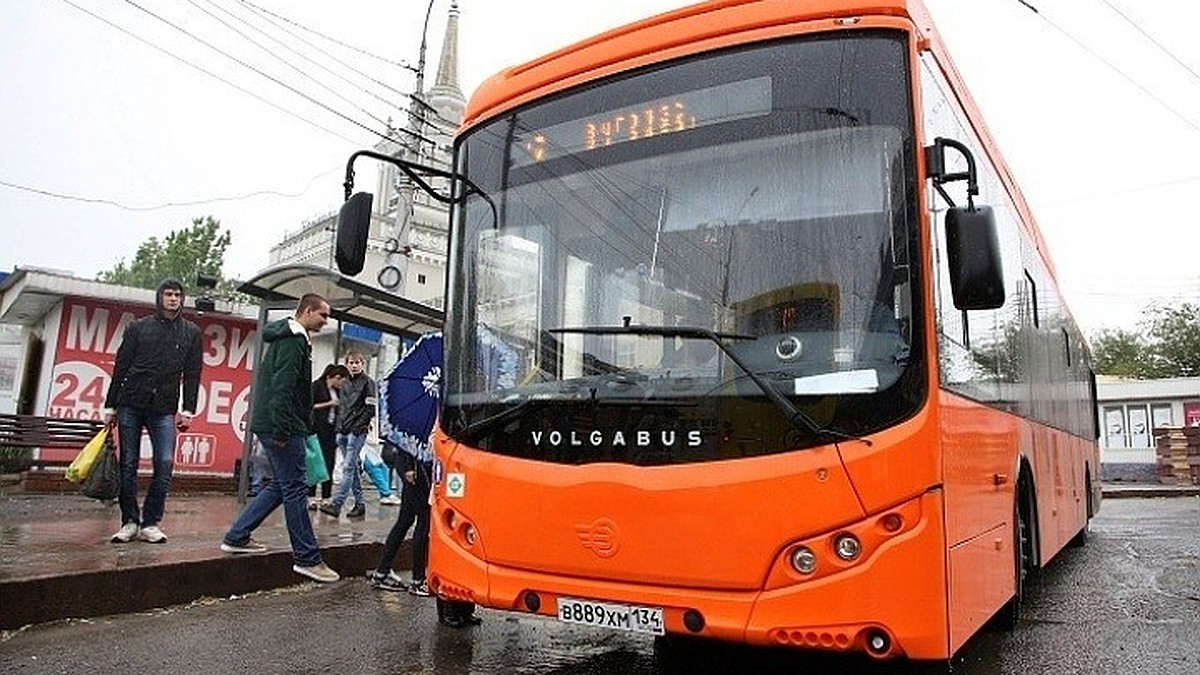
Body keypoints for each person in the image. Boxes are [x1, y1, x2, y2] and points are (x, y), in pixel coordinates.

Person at [220, 293, 340, 584]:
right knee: (296, 489)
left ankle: (237, 537)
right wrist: (283, 430)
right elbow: (282, 388)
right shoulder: (292, 340)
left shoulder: (292, 337)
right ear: (308, 311)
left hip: (280, 426)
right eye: (323, 315)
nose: (326, 321)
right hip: (282, 428)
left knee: (281, 485)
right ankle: (307, 558)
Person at [104, 278, 203, 545]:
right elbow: (120, 368)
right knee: (128, 464)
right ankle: (129, 522)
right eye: (168, 294)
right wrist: (110, 407)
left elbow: (193, 375)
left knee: (165, 462)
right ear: (159, 297)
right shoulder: (138, 327)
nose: (173, 299)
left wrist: (189, 410)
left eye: (178, 295)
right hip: (130, 403)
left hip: (164, 408)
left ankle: (150, 523)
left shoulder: (191, 332)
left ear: (182, 299)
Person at [366, 436, 433, 596]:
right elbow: (408, 433)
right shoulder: (417, 414)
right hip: (415, 468)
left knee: (406, 520)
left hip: (413, 466)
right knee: (424, 520)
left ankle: (382, 572)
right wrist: (409, 466)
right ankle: (418, 580)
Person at [319, 351, 376, 519]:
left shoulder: (368, 383)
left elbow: (370, 407)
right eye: (351, 362)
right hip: (343, 430)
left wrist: (360, 426)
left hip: (356, 431)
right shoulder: (344, 383)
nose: (354, 365)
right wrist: (339, 427)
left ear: (363, 363)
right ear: (347, 363)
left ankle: (337, 504)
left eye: (358, 362)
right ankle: (360, 504)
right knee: (351, 469)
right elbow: (341, 407)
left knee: (348, 467)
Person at [307, 363, 350, 508]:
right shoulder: (317, 386)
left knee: (329, 462)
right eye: (341, 381)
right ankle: (311, 495)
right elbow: (309, 405)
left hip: (331, 429)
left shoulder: (338, 392)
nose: (341, 385)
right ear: (336, 378)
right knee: (314, 462)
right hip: (317, 428)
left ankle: (326, 495)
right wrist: (329, 403)